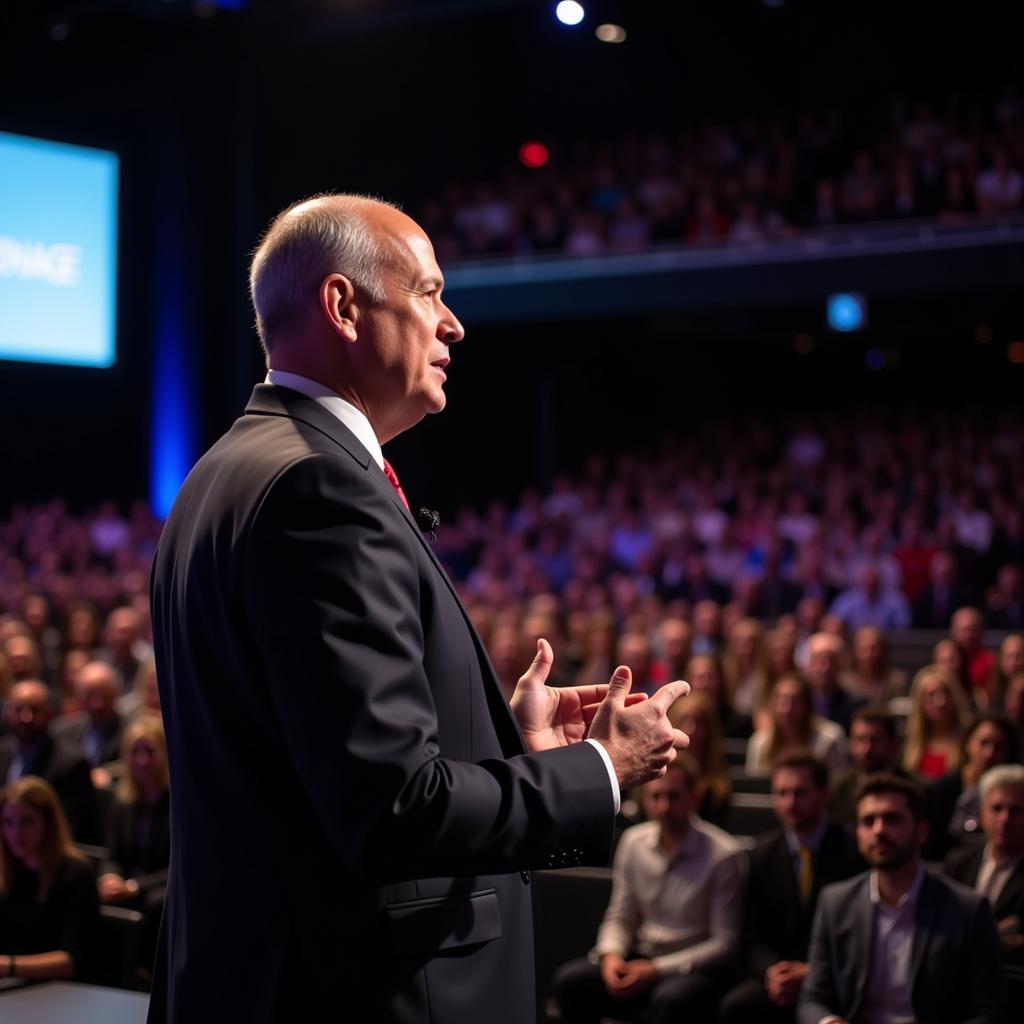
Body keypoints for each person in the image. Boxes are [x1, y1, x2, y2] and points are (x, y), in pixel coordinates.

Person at [148, 194, 689, 1024]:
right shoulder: (319, 489)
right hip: (362, 993)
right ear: (343, 306)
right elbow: (392, 811)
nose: (454, 324)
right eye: (431, 292)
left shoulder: (221, 473)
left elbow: (315, 769)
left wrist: (516, 748)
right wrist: (601, 768)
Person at [798, 773, 1007, 1024]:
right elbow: (812, 998)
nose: (879, 830)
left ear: (921, 831)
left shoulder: (967, 909)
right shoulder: (835, 902)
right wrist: (828, 1022)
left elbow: (989, 1011)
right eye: (868, 821)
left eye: (892, 819)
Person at [554, 754, 744, 1024]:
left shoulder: (724, 855)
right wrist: (611, 956)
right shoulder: (634, 842)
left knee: (672, 1000)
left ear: (695, 797)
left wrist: (656, 970)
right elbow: (620, 916)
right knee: (572, 982)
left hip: (691, 969)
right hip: (641, 957)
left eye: (674, 796)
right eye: (656, 797)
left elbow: (724, 944)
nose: (664, 807)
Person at [720, 752, 860, 1024]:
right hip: (778, 978)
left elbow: (859, 935)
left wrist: (811, 972)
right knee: (736, 1007)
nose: (790, 803)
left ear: (823, 794)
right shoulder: (761, 854)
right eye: (782, 793)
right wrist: (774, 972)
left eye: (800, 793)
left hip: (837, 977)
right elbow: (751, 935)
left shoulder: (853, 849)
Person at [0, 775, 100, 982]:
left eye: (27, 822)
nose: (16, 833)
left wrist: (8, 966)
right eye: (8, 823)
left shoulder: (76, 874)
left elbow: (70, 961)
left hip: (60, 992)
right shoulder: (6, 871)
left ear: (49, 823)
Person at [944, 763, 1024, 995]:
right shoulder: (957, 863)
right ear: (982, 813)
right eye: (996, 808)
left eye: (1016, 810)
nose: (1005, 818)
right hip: (953, 984)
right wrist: (996, 936)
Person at [0, 680, 97, 843]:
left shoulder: (72, 764)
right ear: (8, 714)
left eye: (34, 710)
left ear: (50, 713)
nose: (26, 718)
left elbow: (69, 830)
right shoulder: (2, 753)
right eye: (18, 710)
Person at [925, 713, 1019, 860]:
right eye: (983, 743)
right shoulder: (944, 788)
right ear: (968, 744)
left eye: (998, 746)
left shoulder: (1016, 791)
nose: (989, 753)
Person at [746, 675, 848, 776]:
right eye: (782, 702)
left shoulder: (828, 741)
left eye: (794, 702)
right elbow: (754, 787)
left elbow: (837, 787)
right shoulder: (759, 743)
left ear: (807, 706)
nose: (787, 709)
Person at [829, 706, 907, 827]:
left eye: (874, 740)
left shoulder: (915, 789)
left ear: (893, 743)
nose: (866, 749)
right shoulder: (837, 789)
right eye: (860, 739)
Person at [901, 664, 971, 780]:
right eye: (931, 695)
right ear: (920, 702)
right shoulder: (909, 745)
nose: (940, 702)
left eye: (945, 693)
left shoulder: (969, 740)